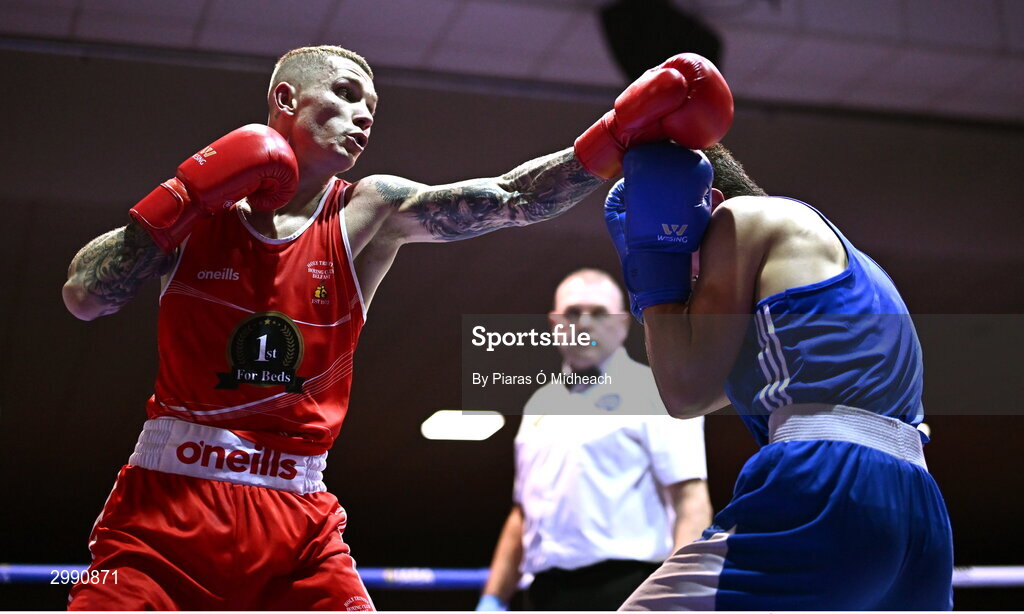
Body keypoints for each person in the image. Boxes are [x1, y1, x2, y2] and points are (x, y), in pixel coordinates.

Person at [60, 45, 732, 610]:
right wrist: (177, 200)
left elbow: (512, 199)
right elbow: (85, 297)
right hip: (164, 512)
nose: (361, 118)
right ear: (286, 100)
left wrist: (613, 136)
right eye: (347, 96)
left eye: (371, 110)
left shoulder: (368, 212)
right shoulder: (199, 212)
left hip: (299, 520)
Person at [602, 141, 954, 610]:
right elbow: (694, 385)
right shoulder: (836, 277)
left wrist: (654, 275)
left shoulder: (741, 219)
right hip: (918, 507)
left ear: (707, 206)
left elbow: (683, 394)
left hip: (827, 484)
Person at [477, 269, 712, 611]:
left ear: (623, 324)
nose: (584, 325)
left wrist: (676, 598)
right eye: (572, 313)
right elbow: (522, 514)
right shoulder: (538, 405)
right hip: (543, 592)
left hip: (628, 587)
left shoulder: (657, 393)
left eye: (599, 313)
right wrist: (493, 598)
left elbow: (692, 503)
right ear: (554, 323)